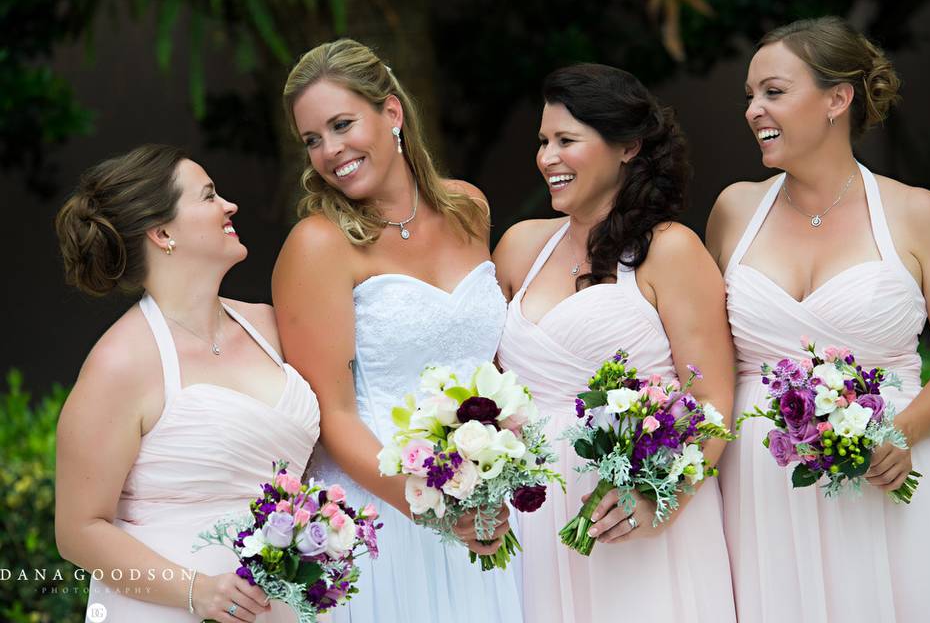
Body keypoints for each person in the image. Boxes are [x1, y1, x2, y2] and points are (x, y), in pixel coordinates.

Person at [706, 16, 930, 622]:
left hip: (886, 478)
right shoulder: (733, 212)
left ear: (837, 99)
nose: (753, 111)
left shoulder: (916, 214)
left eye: (773, 92)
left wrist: (904, 431)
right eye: (750, 97)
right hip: (760, 491)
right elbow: (703, 358)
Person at [272, 39, 522, 622]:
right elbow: (331, 416)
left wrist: (496, 475)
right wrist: (429, 502)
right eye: (312, 139)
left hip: (484, 502)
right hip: (379, 508)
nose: (330, 152)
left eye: (341, 125)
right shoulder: (318, 245)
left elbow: (494, 366)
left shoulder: (470, 209)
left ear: (391, 112)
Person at [495, 63, 736, 623]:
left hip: (637, 513)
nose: (546, 157)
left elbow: (713, 400)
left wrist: (661, 500)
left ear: (627, 147)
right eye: (543, 142)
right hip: (534, 511)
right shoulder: (518, 247)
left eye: (566, 141)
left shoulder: (671, 251)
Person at [54, 145, 320, 622]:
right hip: (170, 609)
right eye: (209, 196)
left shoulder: (271, 326)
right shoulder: (120, 363)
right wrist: (197, 592)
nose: (229, 206)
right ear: (162, 233)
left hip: (282, 604)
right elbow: (78, 531)